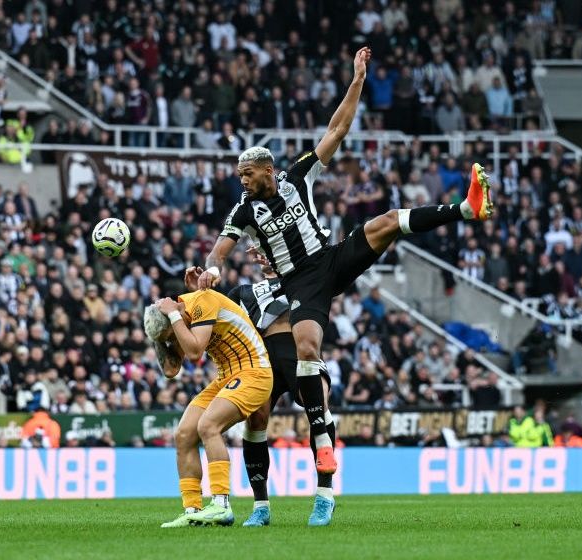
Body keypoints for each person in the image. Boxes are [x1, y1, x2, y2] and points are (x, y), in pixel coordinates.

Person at [196, 46, 494, 475]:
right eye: (239, 175)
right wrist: (212, 270)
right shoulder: (244, 211)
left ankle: (467, 209)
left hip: (330, 259)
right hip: (300, 282)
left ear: (267, 170)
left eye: (248, 174)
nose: (242, 181)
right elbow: (219, 249)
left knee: (388, 221)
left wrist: (356, 80)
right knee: (308, 346)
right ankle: (321, 442)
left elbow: (336, 130)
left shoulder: (297, 176)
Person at [210, 251, 337, 527]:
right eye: (260, 251)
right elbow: (215, 313)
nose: (265, 255)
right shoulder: (242, 292)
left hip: (298, 351)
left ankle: (325, 495)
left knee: (318, 401)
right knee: (256, 419)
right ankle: (261, 506)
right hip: (260, 358)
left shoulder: (302, 278)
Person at [148, 288, 272, 528]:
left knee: (208, 425)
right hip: (227, 376)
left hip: (254, 371)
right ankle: (192, 510)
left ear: (177, 312)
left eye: (171, 336)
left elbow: (194, 352)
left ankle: (221, 504)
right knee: (184, 434)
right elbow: (171, 370)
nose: (173, 341)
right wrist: (160, 334)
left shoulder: (202, 301)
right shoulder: (177, 317)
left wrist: (173, 318)